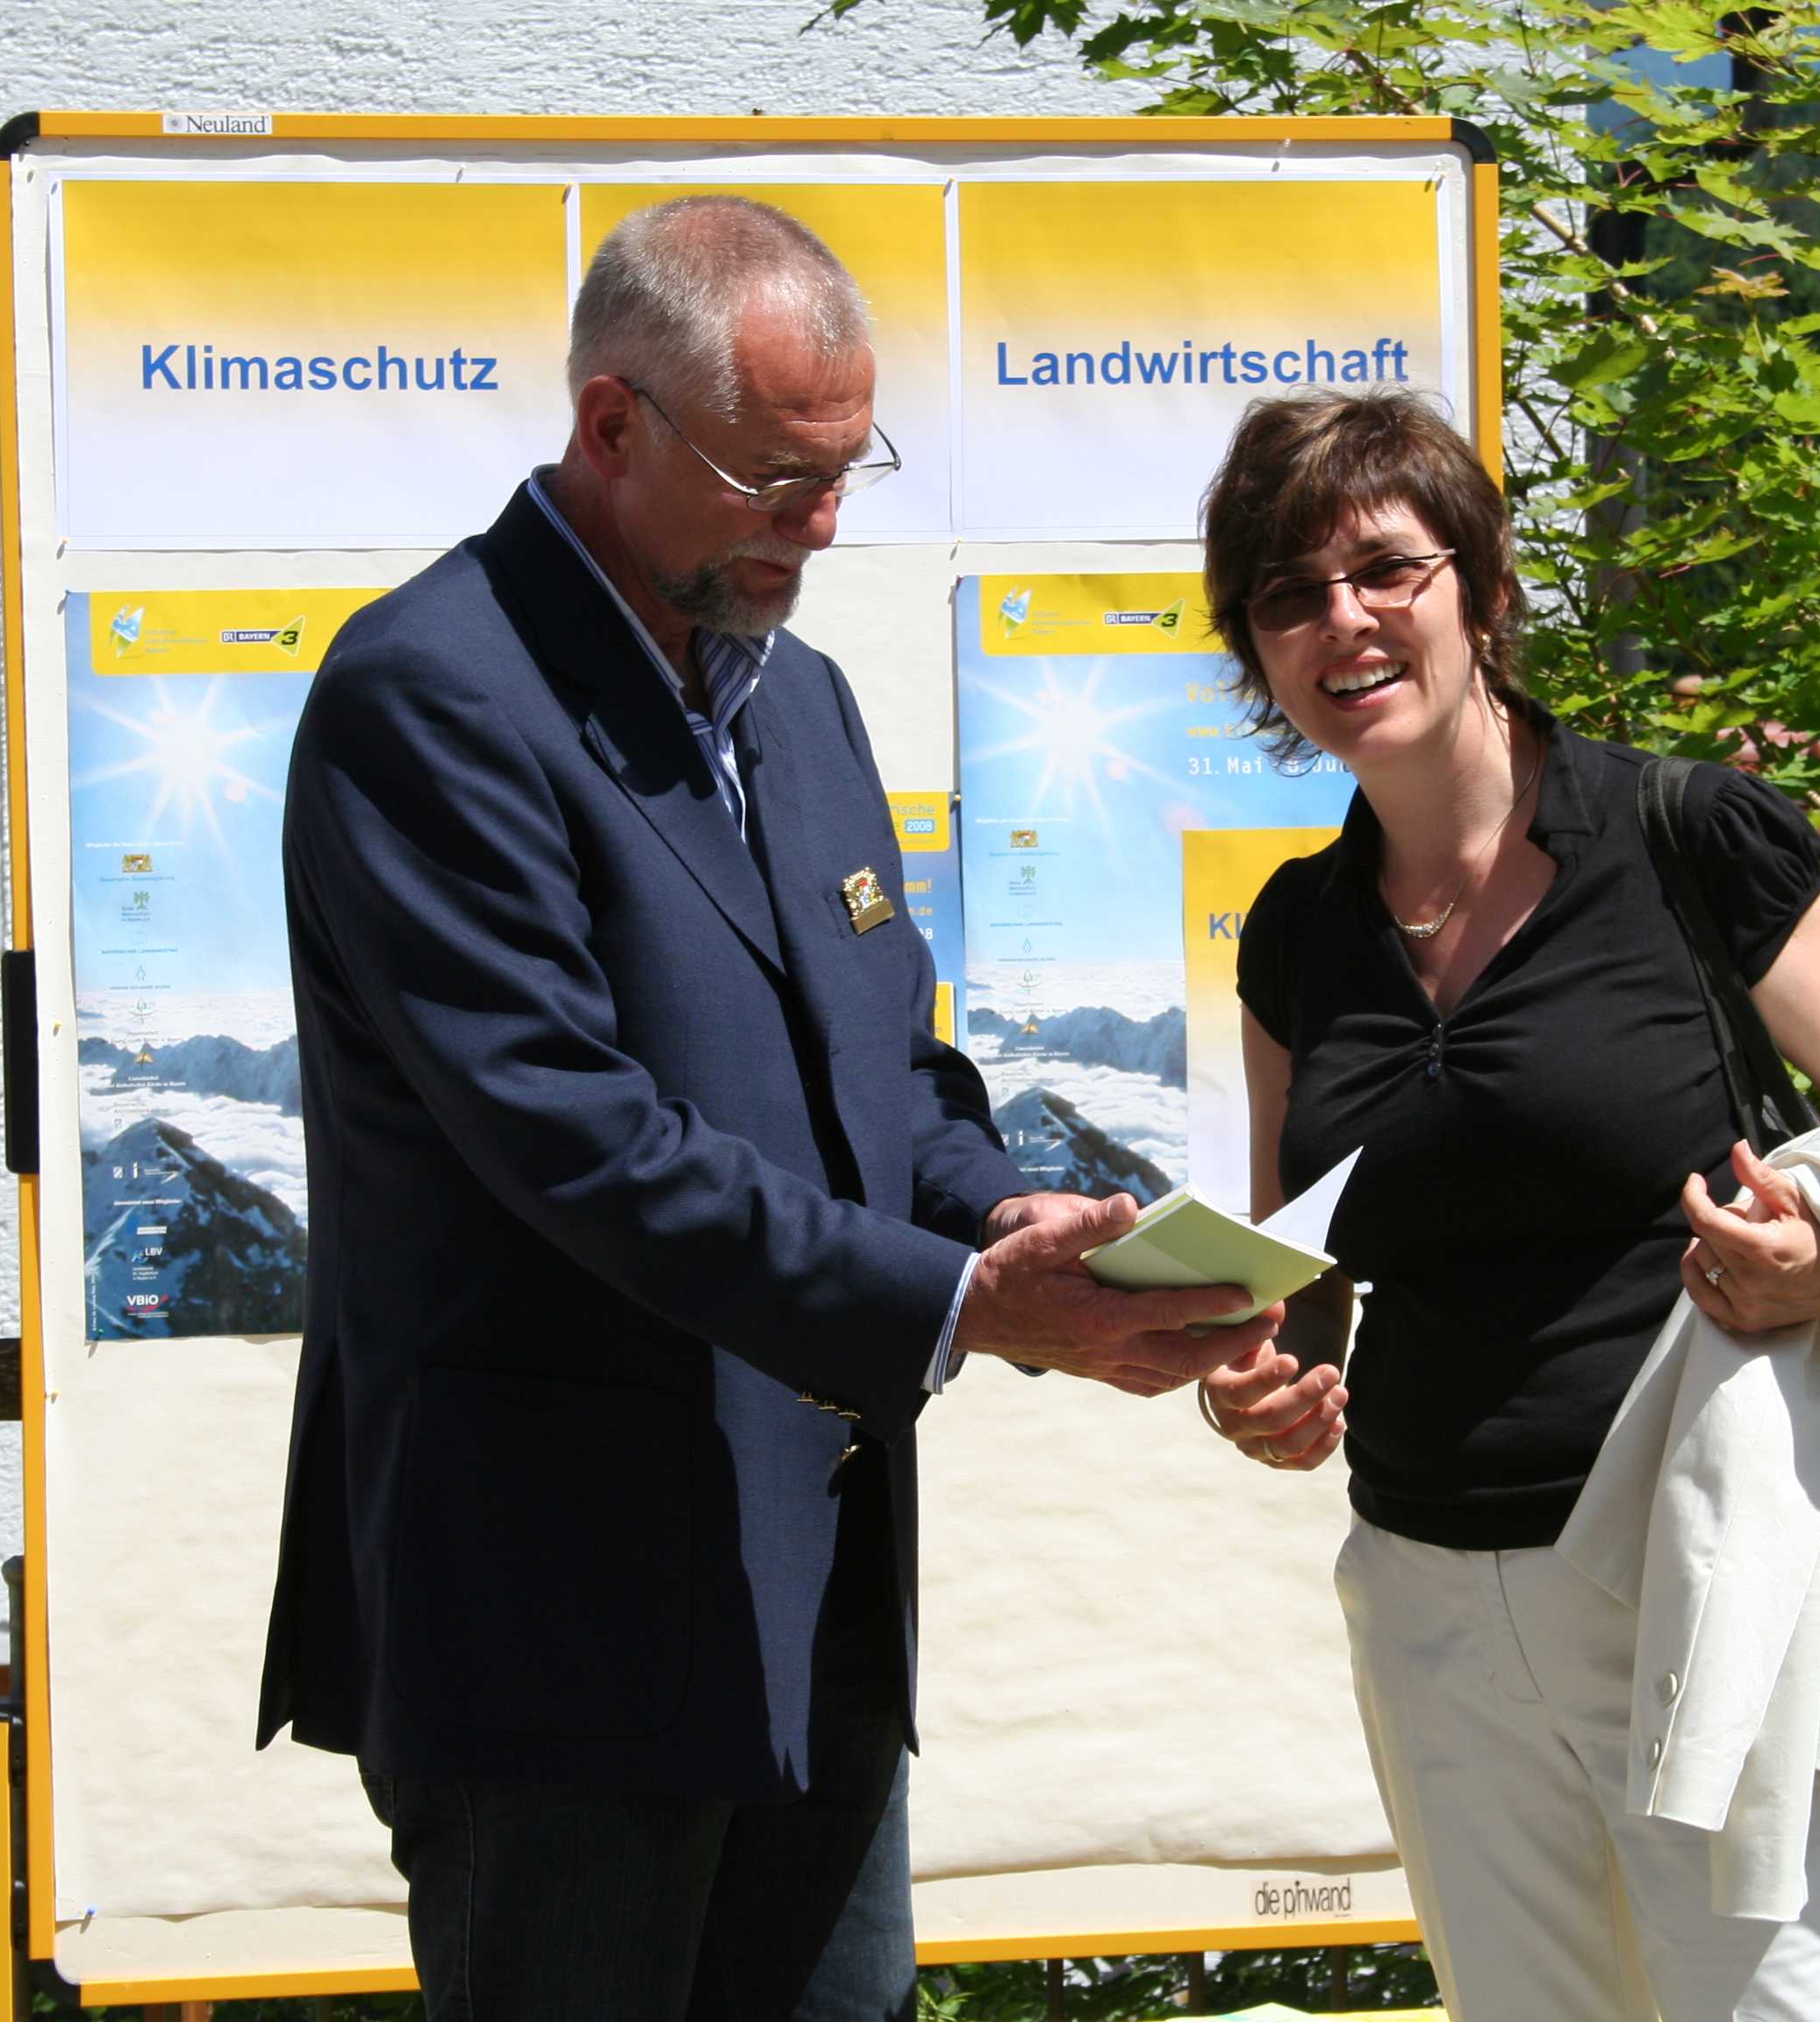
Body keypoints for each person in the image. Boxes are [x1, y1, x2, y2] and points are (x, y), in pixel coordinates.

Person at [256, 197, 1278, 2022]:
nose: (819, 525)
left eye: (843, 471)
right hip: (557, 1628)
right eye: (772, 477)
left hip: (809, 1602)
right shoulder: (431, 696)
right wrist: (964, 1310)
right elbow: (580, 1139)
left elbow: (888, 1069)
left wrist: (998, 1217)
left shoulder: (795, 702)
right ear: (610, 425)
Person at [1192, 387, 1820, 2020]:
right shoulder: (1295, 930)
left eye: (1388, 571)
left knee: (1776, 2006)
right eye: (1289, 596)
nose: (1345, 622)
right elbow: (1299, 1269)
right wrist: (1255, 1377)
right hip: (1429, 1586)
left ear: (1480, 584)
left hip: (1711, 1558)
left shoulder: (1689, 834)